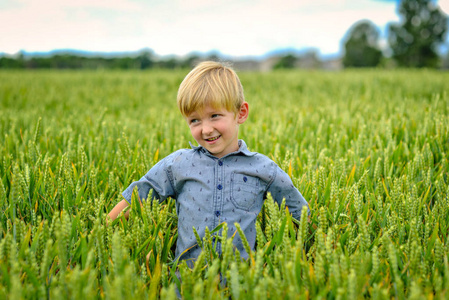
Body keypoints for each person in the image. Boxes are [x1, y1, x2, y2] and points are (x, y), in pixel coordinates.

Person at [107, 61, 309, 266]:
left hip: (241, 283)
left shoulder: (263, 169)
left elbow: (300, 213)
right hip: (187, 283)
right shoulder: (177, 164)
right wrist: (102, 231)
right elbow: (140, 195)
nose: (206, 129)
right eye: (195, 120)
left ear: (241, 113)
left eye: (214, 116)